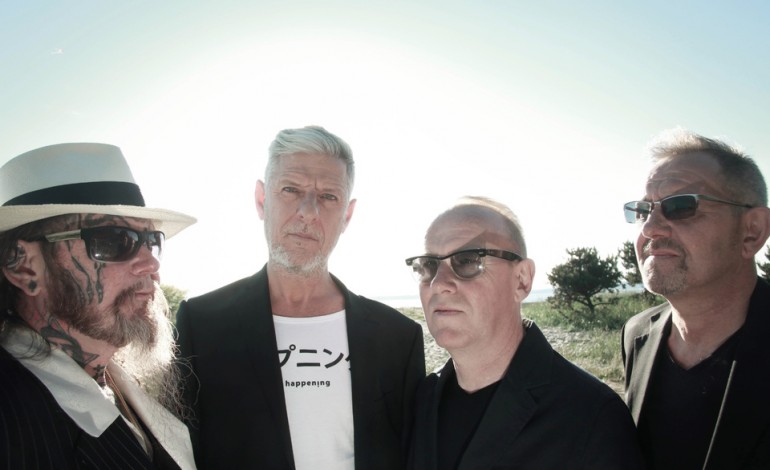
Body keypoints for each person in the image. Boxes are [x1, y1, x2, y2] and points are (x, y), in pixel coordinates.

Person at [175, 125, 425, 469]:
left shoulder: (397, 337)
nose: (308, 211)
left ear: (347, 215)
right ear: (262, 200)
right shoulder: (201, 324)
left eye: (328, 196)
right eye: (291, 189)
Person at [406, 196, 644, 469]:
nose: (438, 283)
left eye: (467, 261)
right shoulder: (421, 402)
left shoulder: (591, 416)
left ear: (522, 280)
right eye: (428, 266)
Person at [0, 143, 197, 469]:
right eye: (114, 240)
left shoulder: (119, 386)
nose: (151, 264)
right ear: (23, 266)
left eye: (151, 241)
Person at [621, 129, 770, 469]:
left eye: (681, 206)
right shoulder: (636, 335)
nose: (650, 228)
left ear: (752, 231)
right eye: (642, 211)